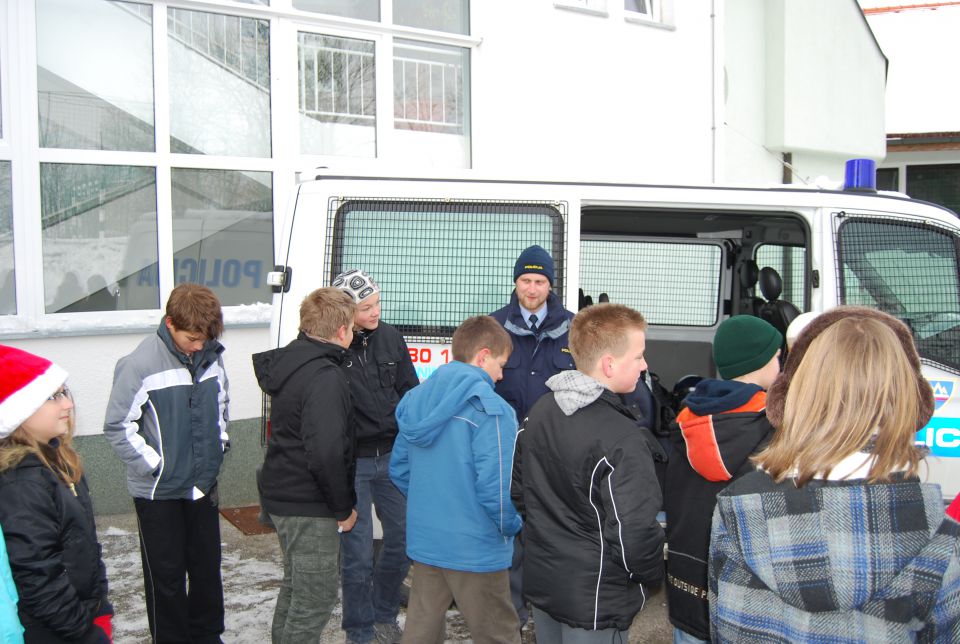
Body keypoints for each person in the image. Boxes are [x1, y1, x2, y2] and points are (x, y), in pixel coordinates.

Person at [709, 306, 960, 642]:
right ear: (907, 403)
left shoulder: (736, 510)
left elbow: (723, 627)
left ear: (799, 394)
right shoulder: (943, 541)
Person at [512, 303, 665, 642]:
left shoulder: (540, 411)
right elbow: (634, 535)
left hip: (545, 585)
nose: (645, 365)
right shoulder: (623, 438)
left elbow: (521, 494)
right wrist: (652, 573)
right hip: (597, 602)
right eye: (638, 356)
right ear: (609, 364)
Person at [103, 283, 229, 644]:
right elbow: (116, 425)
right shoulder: (139, 364)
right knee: (166, 576)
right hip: (158, 492)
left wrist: (219, 447)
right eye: (192, 338)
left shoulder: (211, 355)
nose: (199, 346)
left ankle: (207, 636)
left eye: (205, 338)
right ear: (170, 323)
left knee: (206, 570)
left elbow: (221, 406)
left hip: (202, 484)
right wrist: (157, 466)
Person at [390, 315, 523, 644]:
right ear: (483, 356)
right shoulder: (492, 409)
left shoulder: (416, 401)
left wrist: (430, 503)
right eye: (501, 364)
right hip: (475, 546)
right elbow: (497, 487)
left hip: (427, 541)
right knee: (498, 634)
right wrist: (512, 526)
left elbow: (400, 469)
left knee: (421, 631)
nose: (501, 374)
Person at [664, 316, 782, 644]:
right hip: (746, 593)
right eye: (776, 356)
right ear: (759, 361)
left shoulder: (685, 423)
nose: (779, 363)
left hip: (687, 582)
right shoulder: (774, 430)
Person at [253, 287, 360, 643]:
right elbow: (326, 451)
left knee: (297, 588)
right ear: (342, 330)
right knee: (315, 598)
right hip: (308, 503)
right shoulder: (325, 376)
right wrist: (343, 507)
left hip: (284, 494)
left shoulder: (294, 362)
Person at [0, 345, 112, 642]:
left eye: (65, 392)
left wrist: (100, 604)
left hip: (82, 613)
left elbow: (82, 542)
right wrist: (84, 632)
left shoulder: (57, 458)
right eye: (53, 397)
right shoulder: (22, 482)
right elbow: (38, 577)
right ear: (19, 410)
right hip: (56, 630)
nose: (68, 405)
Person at [490, 244, 576, 625]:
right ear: (515, 282)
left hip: (555, 447)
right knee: (511, 531)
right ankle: (512, 612)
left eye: (539, 280)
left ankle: (545, 609)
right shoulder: (493, 327)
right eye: (525, 280)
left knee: (550, 529)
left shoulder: (575, 328)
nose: (532, 288)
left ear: (550, 285)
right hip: (505, 447)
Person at [333, 269, 419, 644]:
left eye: (377, 303)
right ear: (346, 313)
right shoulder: (334, 348)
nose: (375, 312)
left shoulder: (391, 338)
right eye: (365, 307)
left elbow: (410, 391)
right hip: (354, 465)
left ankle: (383, 612)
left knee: (405, 539)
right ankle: (359, 630)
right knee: (358, 555)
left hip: (394, 458)